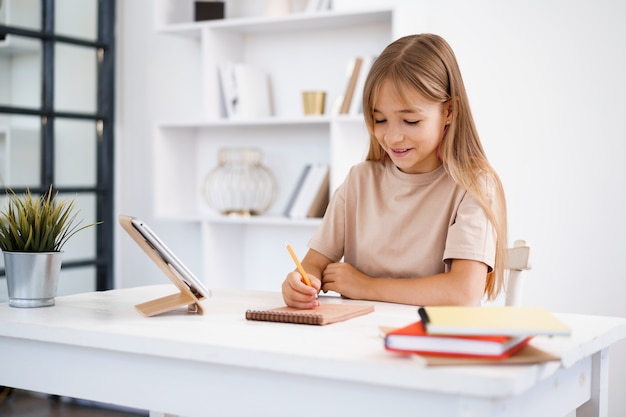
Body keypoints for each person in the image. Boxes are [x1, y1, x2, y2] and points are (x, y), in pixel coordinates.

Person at [282, 33, 507, 309]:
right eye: (380, 120)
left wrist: (365, 286)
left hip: (429, 342)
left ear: (449, 110)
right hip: (355, 339)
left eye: (410, 121)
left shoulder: (473, 186)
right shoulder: (359, 181)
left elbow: (463, 292)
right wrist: (298, 283)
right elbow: (312, 265)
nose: (392, 137)